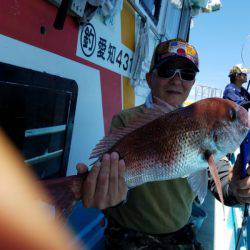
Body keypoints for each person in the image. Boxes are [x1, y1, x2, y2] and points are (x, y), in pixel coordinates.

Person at [77, 39, 250, 249]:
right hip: (129, 235)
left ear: (193, 82)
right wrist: (111, 195)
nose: (177, 80)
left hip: (180, 235)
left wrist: (236, 185)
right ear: (151, 78)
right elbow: (116, 179)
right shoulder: (127, 120)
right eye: (168, 70)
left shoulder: (201, 121)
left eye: (187, 74)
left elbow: (217, 174)